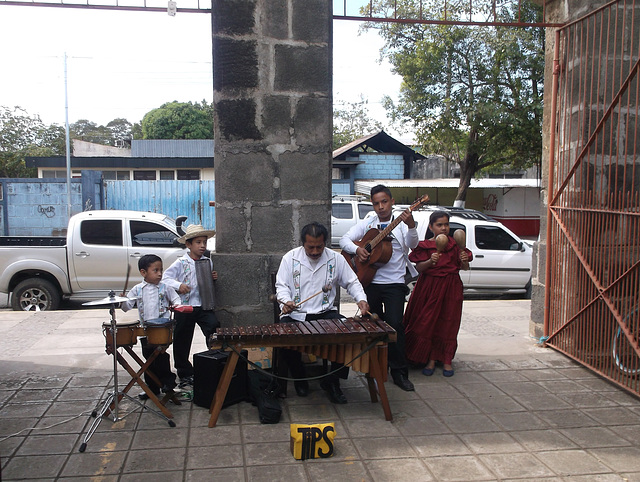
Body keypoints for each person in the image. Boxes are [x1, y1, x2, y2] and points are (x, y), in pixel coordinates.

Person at [275, 222, 370, 404]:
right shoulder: (290, 258)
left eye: (319, 246)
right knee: (283, 335)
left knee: (349, 334)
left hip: (325, 312)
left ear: (325, 242)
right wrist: (286, 302)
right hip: (296, 314)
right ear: (303, 243)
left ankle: (332, 381)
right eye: (311, 247)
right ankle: (299, 376)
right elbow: (282, 285)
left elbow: (352, 282)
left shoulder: (335, 259)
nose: (315, 251)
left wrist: (361, 299)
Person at [340, 184, 419, 391]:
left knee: (394, 326)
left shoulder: (400, 223)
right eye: (376, 203)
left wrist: (411, 226)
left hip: (394, 283)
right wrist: (358, 249)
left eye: (384, 202)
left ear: (392, 202)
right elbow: (344, 239)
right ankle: (373, 369)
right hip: (370, 281)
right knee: (371, 327)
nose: (381, 207)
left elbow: (414, 244)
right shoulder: (368, 223)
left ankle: (399, 372)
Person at [403, 211, 472, 377]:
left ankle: (446, 360)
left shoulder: (456, 245)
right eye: (439, 225)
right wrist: (430, 261)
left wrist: (463, 260)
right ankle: (430, 358)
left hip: (451, 287)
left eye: (446, 224)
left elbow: (464, 268)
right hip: (429, 288)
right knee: (427, 323)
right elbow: (418, 268)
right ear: (431, 227)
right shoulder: (425, 246)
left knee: (448, 323)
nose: (444, 228)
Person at [162, 224, 219, 388]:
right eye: (198, 242)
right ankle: (184, 372)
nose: (202, 246)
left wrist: (212, 277)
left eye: (204, 242)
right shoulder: (180, 263)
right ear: (188, 244)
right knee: (182, 339)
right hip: (185, 307)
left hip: (203, 305)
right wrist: (179, 285)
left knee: (213, 327)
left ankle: (215, 361)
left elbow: (207, 283)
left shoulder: (207, 262)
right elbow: (165, 279)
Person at [121, 254, 181, 400]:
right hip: (145, 331)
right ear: (143, 272)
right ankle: (153, 389)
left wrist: (175, 306)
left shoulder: (165, 287)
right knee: (148, 360)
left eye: (161, 270)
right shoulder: (137, 289)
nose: (160, 273)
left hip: (162, 331)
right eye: (156, 270)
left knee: (161, 357)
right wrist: (122, 299)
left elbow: (176, 299)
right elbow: (126, 306)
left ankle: (168, 383)